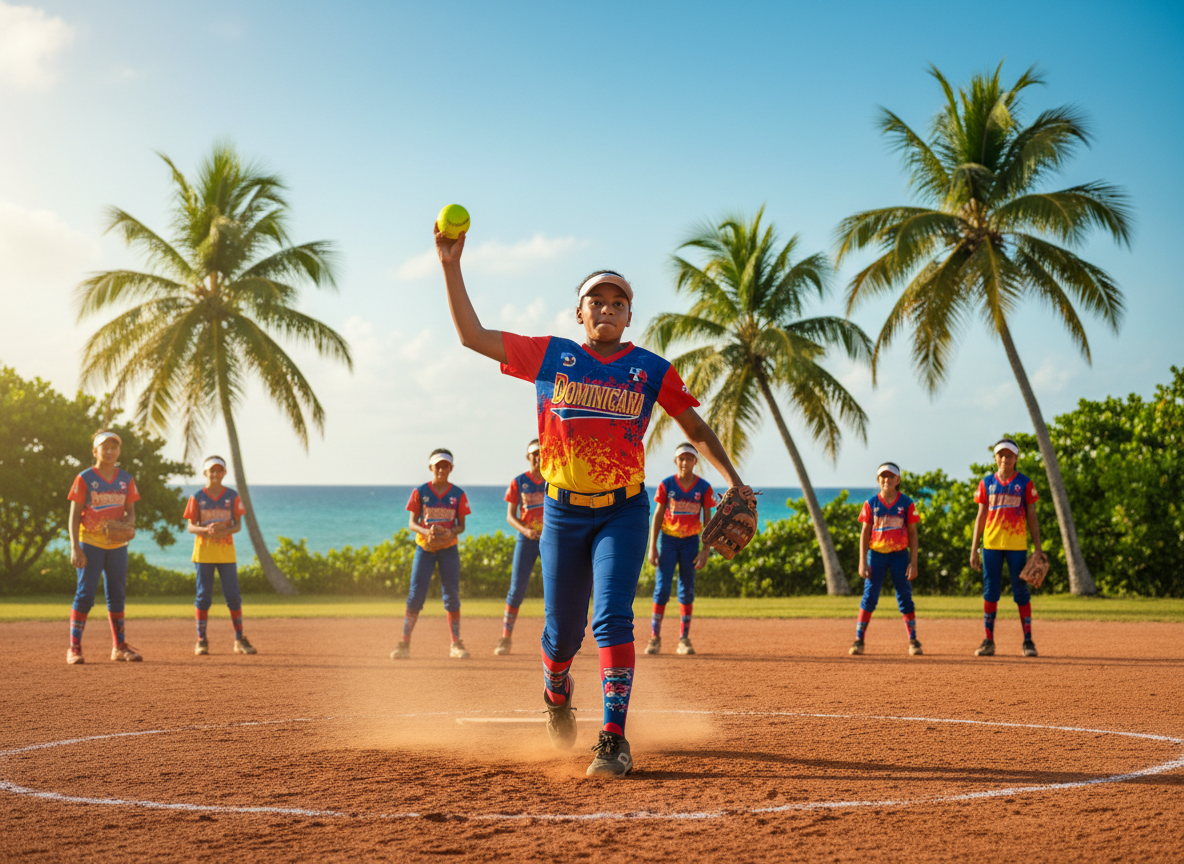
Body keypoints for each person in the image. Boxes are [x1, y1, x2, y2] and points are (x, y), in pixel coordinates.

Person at [435, 222, 748, 778]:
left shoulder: (649, 369)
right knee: (561, 636)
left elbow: (694, 426)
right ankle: (557, 693)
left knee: (612, 618)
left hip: (624, 511)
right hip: (561, 512)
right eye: (595, 301)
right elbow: (471, 335)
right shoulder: (550, 356)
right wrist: (450, 265)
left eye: (618, 301)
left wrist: (733, 479)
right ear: (578, 313)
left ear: (631, 316)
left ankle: (613, 738)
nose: (606, 308)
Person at [65, 430, 142, 664]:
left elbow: (131, 512)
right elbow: (74, 515)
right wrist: (75, 547)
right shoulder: (85, 478)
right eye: (104, 447)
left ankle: (119, 647)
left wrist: (129, 525)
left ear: (119, 451)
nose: (109, 451)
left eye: (114, 447)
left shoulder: (126, 479)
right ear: (95, 451)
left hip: (117, 544)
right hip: (90, 543)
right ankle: (74, 648)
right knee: (85, 595)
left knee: (117, 596)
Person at [392, 448, 471, 660]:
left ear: (451, 468)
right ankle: (404, 643)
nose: (441, 470)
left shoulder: (458, 494)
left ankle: (456, 644)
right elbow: (411, 523)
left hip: (448, 549)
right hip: (425, 549)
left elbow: (461, 525)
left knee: (451, 595)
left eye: (446, 466)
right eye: (438, 466)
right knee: (416, 595)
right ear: (431, 468)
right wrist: (427, 531)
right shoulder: (420, 492)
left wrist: (450, 531)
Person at [970, 439, 1041, 658]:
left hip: (1017, 545)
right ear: (995, 458)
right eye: (1001, 455)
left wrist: (1038, 549)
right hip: (991, 544)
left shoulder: (1025, 483)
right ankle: (988, 640)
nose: (1004, 459)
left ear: (1015, 458)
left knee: (1020, 592)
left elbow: (1031, 516)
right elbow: (981, 516)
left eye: (1009, 455)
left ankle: (1028, 641)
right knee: (990, 592)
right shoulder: (987, 483)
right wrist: (974, 549)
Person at [645, 443, 715, 656]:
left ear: (695, 462)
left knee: (686, 589)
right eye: (681, 459)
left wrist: (706, 550)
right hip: (668, 542)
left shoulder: (703, 488)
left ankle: (684, 639)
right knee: (662, 589)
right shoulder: (667, 485)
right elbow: (657, 515)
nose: (685, 463)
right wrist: (652, 547)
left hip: (690, 543)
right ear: (676, 461)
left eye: (689, 459)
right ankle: (654, 638)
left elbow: (707, 519)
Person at [183, 456, 256, 656]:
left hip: (226, 553)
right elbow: (190, 526)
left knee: (233, 596)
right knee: (203, 597)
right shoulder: (197, 496)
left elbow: (238, 525)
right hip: (204, 553)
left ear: (224, 472)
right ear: (205, 473)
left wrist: (224, 531)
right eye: (211, 471)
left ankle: (239, 639)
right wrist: (207, 530)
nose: (215, 474)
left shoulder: (232, 496)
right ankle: (201, 640)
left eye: (219, 470)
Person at [849, 462, 921, 656]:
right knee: (869, 596)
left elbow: (913, 534)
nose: (886, 480)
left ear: (897, 480)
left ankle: (913, 640)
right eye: (883, 476)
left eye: (890, 476)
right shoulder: (871, 503)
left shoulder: (906, 503)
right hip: (877, 556)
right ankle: (859, 640)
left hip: (899, 555)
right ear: (878, 479)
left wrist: (913, 562)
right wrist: (862, 561)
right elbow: (865, 534)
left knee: (905, 596)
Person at [496, 439, 546, 655]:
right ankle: (505, 639)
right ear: (528, 457)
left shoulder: (554, 481)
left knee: (557, 590)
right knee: (516, 590)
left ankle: (564, 639)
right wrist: (525, 531)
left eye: (541, 453)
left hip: (550, 540)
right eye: (534, 454)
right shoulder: (519, 482)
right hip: (526, 540)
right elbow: (510, 516)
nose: (538, 457)